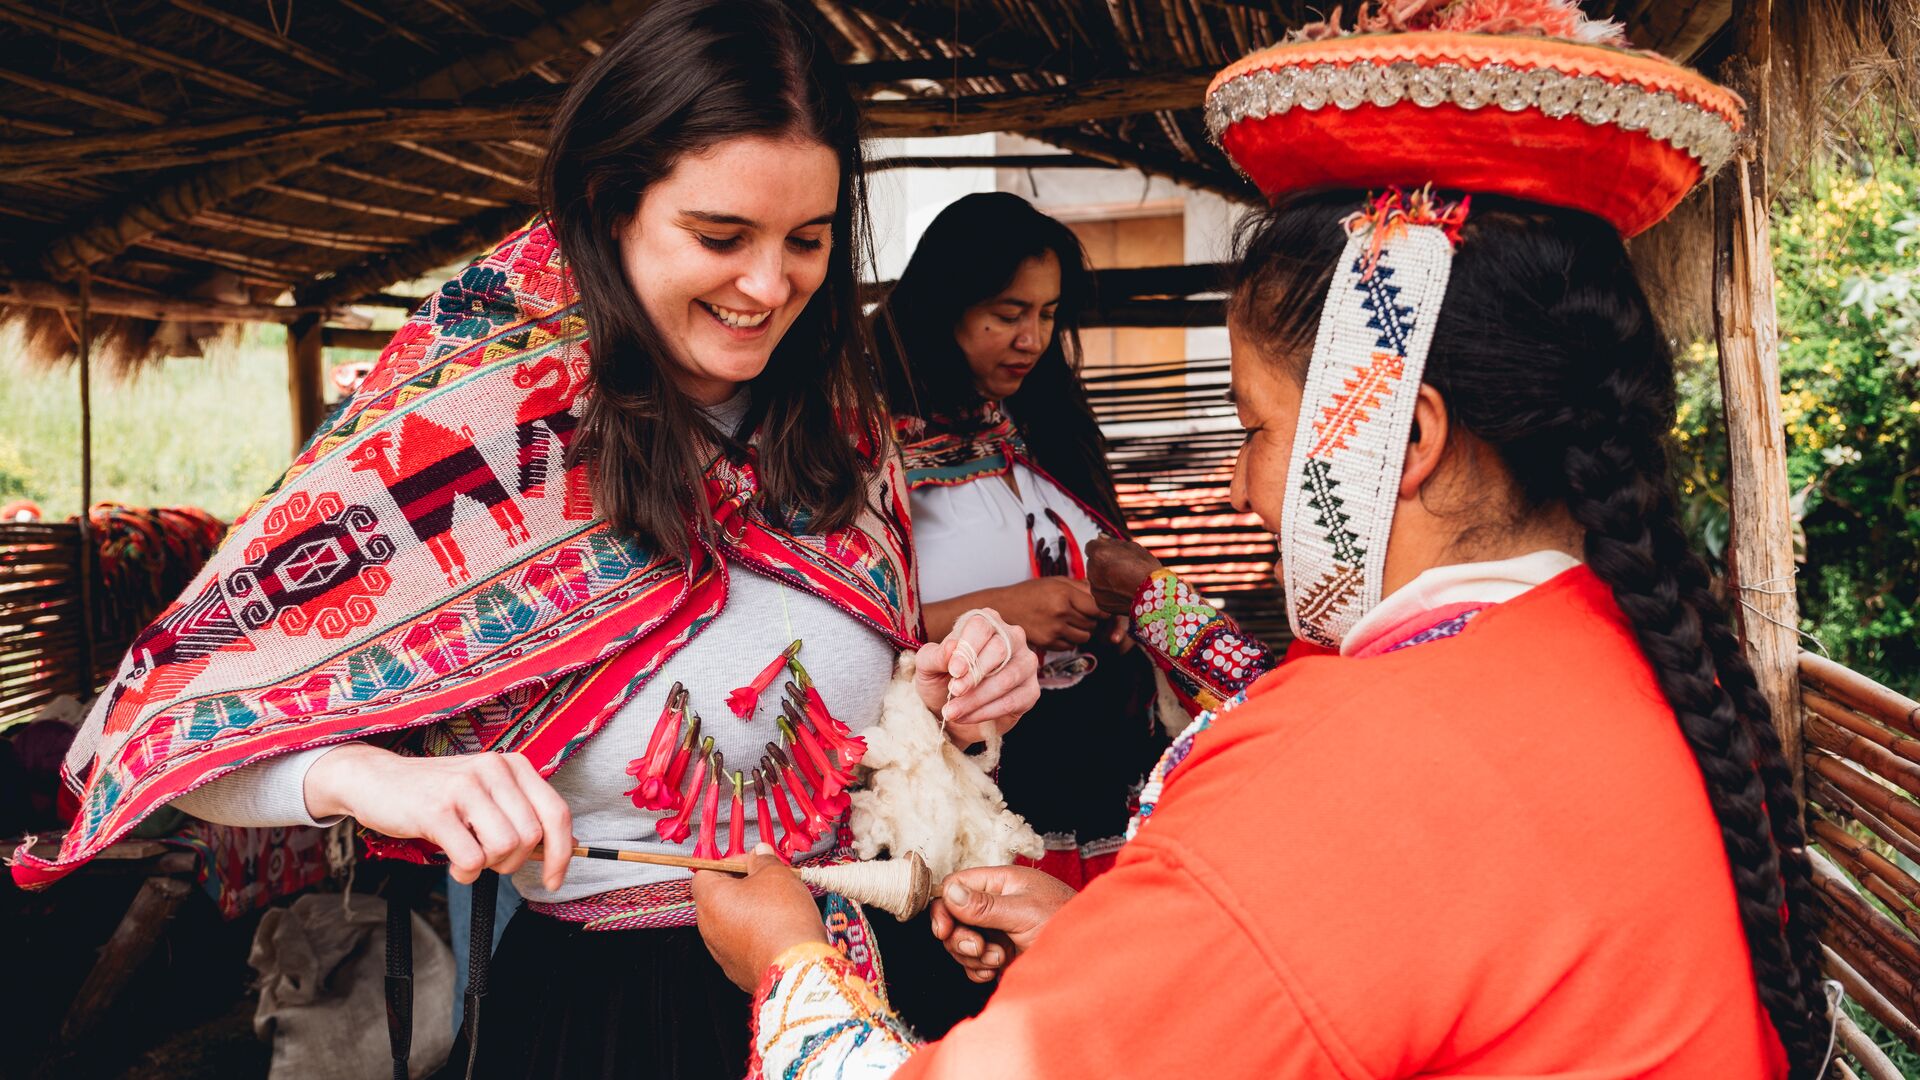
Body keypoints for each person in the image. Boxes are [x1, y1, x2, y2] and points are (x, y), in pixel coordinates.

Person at [691, 3, 1832, 1077]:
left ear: (1404, 437)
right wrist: (1129, 944)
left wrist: (789, 964)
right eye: (1007, 315)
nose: (1241, 489)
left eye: (1258, 429)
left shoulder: (1356, 762)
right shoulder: (1604, 646)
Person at [13, 2, 1039, 1077]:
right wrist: (369, 778)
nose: (768, 286)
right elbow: (167, 730)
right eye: (720, 237)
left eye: (809, 241)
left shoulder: (842, 426)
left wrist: (939, 705)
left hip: (867, 983)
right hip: (618, 1025)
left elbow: (843, 711)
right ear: (609, 206)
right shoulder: (462, 438)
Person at [859, 193, 1169, 1032]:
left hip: (1094, 769)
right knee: (996, 1013)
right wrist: (1001, 611)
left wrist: (1110, 603)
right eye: (1008, 314)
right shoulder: (864, 446)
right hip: (976, 793)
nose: (1033, 338)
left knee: (1096, 1008)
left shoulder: (1040, 426)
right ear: (944, 305)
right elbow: (844, 622)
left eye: (1048, 314)